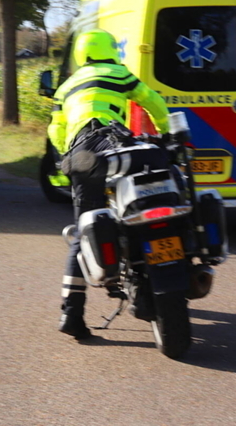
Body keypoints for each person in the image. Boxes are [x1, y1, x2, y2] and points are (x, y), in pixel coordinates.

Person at [48, 29, 171, 340]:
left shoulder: (65, 87)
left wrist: (68, 153)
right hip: (115, 149)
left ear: (80, 54)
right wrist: (167, 132)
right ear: (110, 50)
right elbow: (152, 100)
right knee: (139, 212)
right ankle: (145, 290)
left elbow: (55, 128)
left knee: (83, 231)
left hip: (80, 156)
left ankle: (71, 314)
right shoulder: (118, 73)